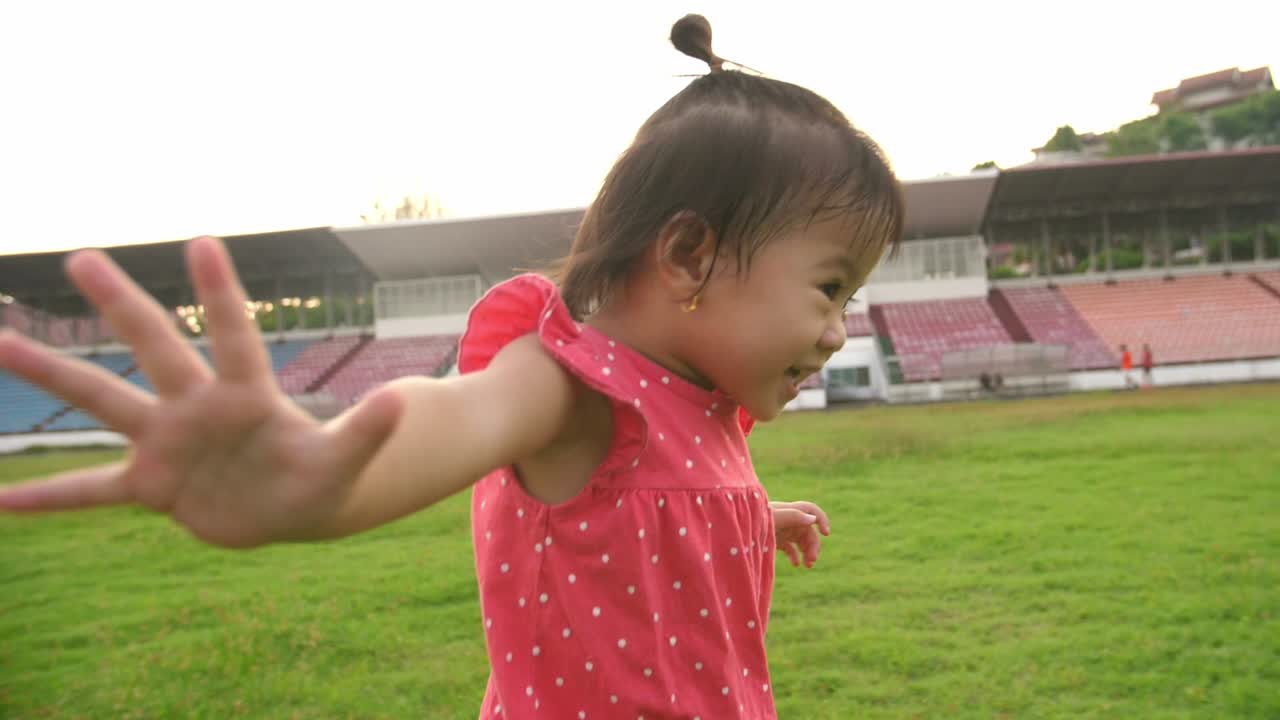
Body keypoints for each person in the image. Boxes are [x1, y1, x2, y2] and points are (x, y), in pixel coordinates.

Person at [0, 14, 903, 719]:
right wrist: (318, 481)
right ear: (689, 257)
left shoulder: (701, 410)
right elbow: (450, 418)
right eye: (830, 289)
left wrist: (746, 520)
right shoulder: (567, 386)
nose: (838, 330)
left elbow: (650, 515)